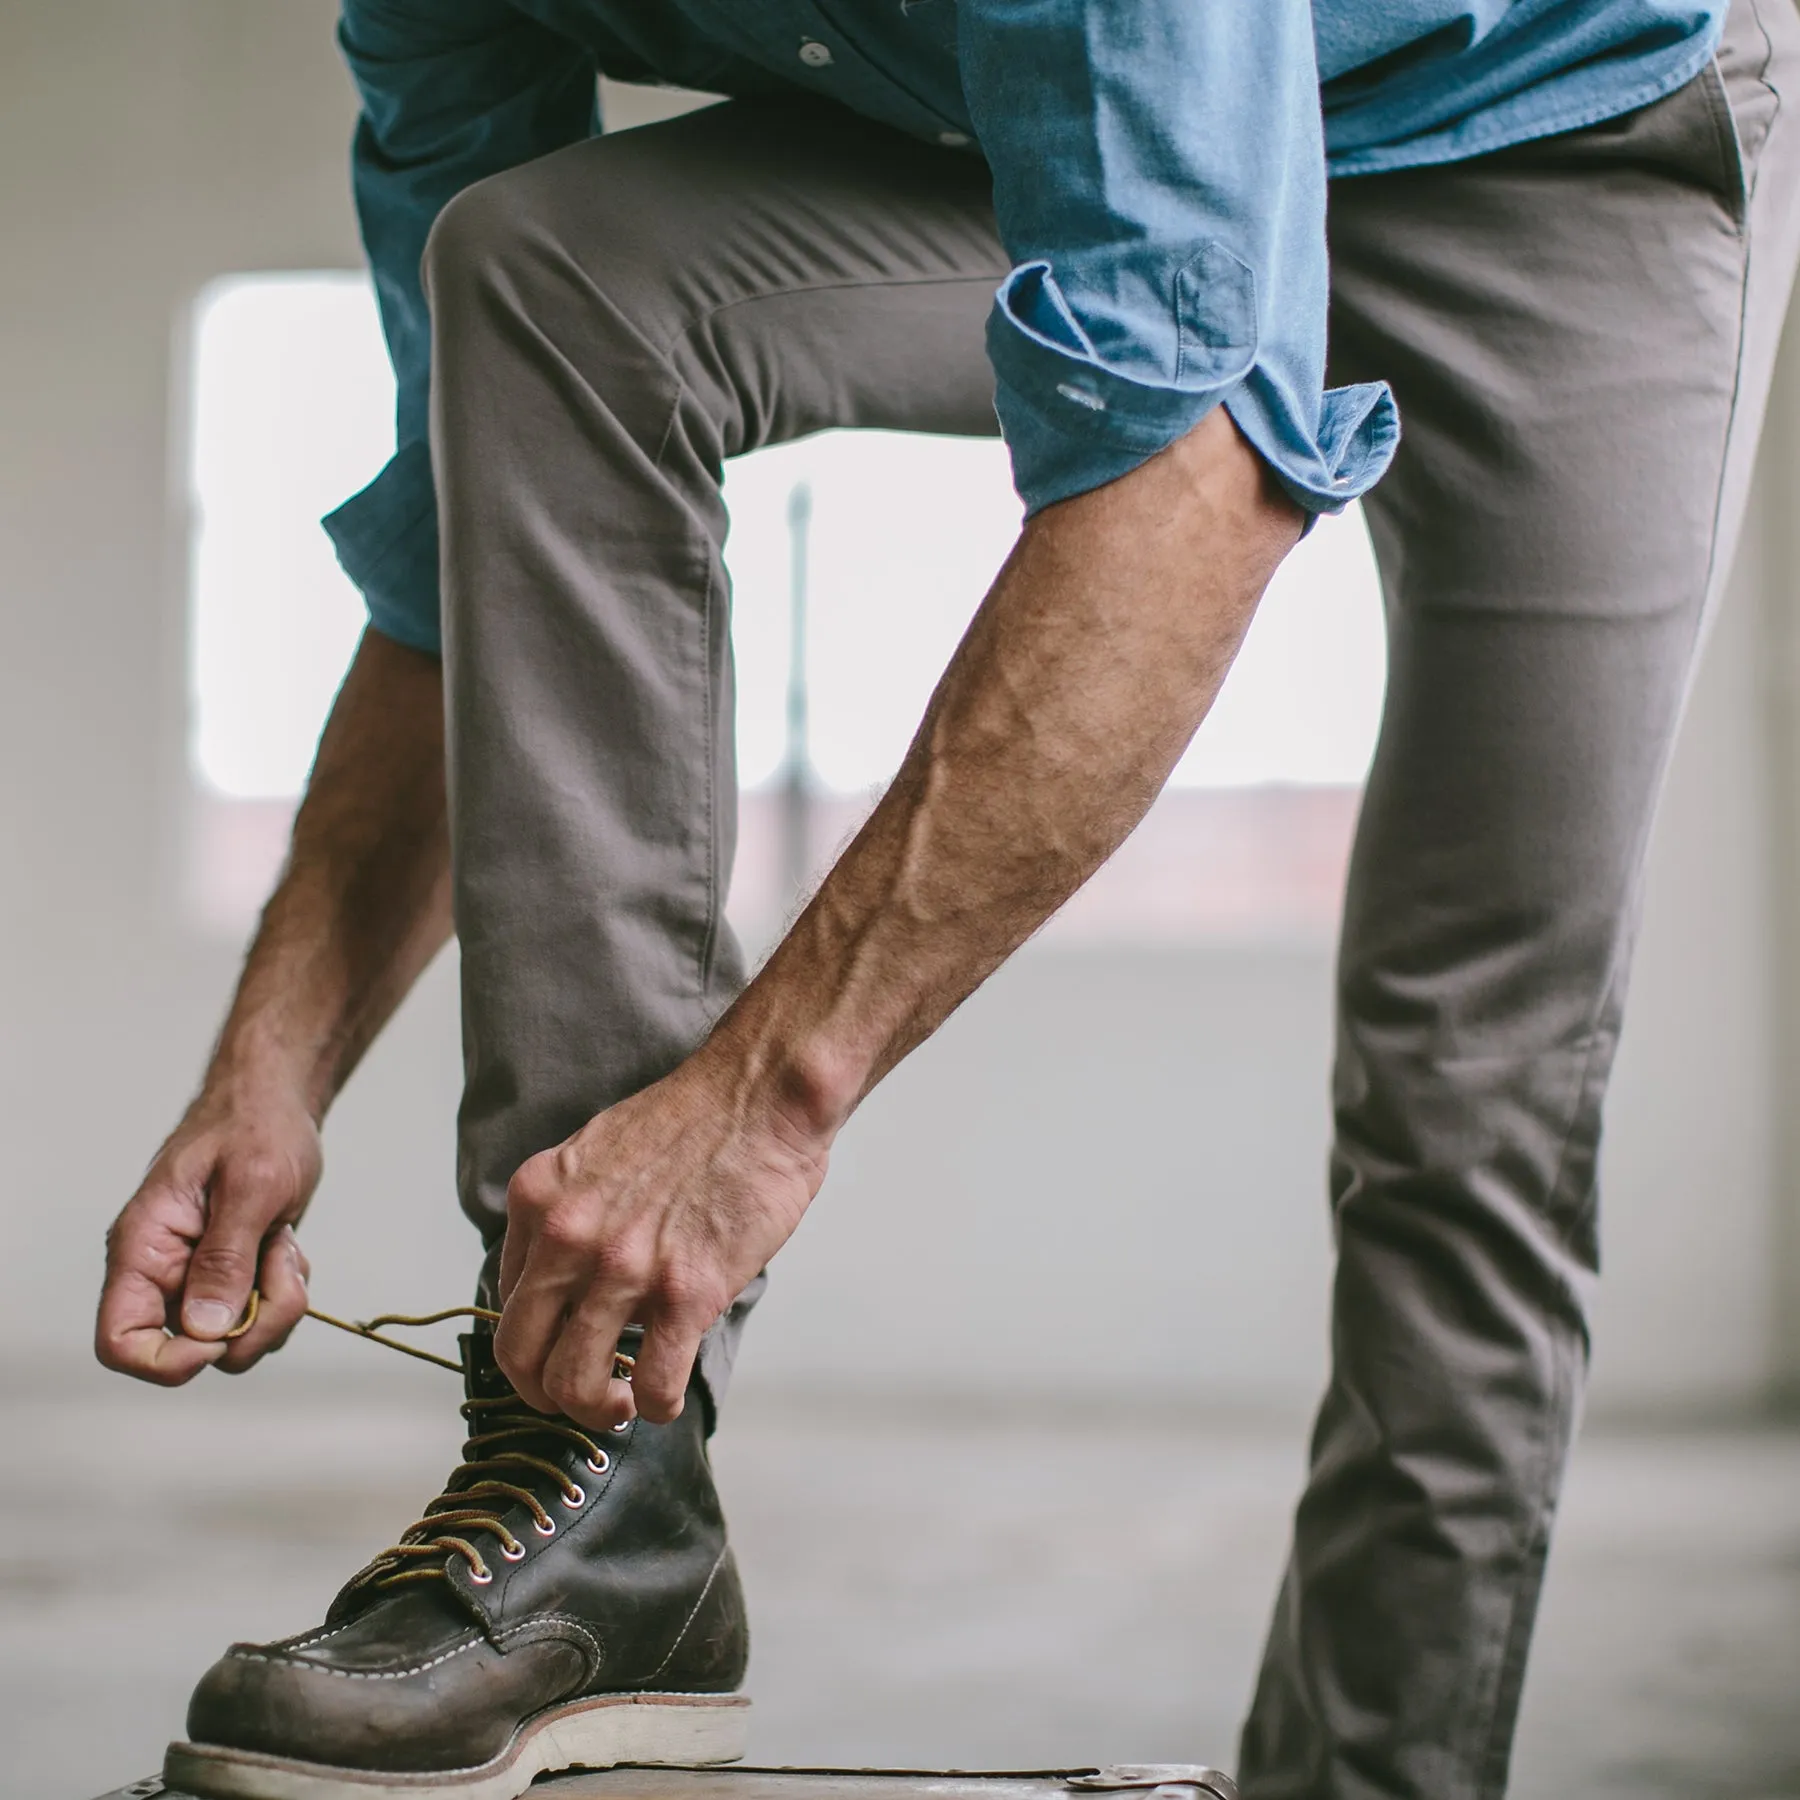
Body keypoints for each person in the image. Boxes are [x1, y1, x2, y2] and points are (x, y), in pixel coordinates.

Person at [95, 2, 1800, 1796]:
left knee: (1475, 1074)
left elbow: (1190, 470)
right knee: (534, 270)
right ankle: (599, 1507)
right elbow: (463, 539)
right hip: (1116, 134)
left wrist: (754, 1107)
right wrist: (270, 1062)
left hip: (1560, 141)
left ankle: (1370, 1775)